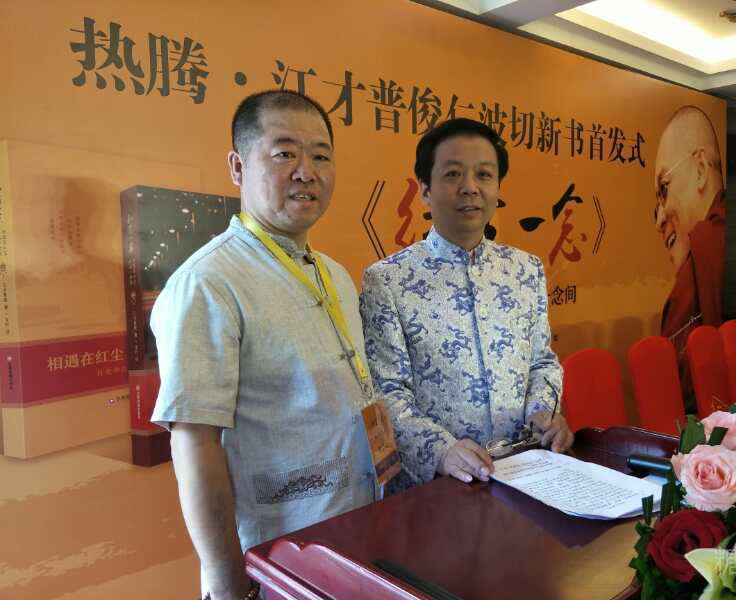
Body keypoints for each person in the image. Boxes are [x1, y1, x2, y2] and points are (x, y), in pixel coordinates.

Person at [150, 90, 378, 600]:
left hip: (356, 531)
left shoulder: (334, 274)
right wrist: (226, 578)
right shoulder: (208, 283)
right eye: (284, 153)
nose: (306, 172)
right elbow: (194, 442)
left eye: (321, 156)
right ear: (237, 167)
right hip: (278, 559)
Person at [360, 118, 572, 491]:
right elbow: (385, 392)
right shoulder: (387, 279)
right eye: (453, 174)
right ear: (425, 191)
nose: (470, 188)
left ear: (497, 188)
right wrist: (441, 451)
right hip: (440, 484)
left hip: (525, 471)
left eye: (484, 175)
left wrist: (543, 412)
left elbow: (542, 362)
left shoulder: (525, 269)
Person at [654, 105, 725, 407]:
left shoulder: (712, 244)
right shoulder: (714, 246)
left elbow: (676, 394)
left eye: (664, 188)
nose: (659, 220)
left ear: (700, 170)